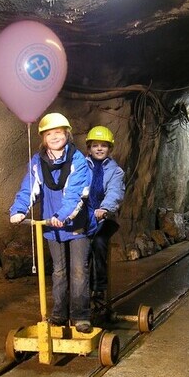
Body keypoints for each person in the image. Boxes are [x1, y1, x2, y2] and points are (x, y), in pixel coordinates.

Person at [9, 112, 94, 333]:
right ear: (43, 138)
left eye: (59, 132)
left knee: (78, 270)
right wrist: (19, 210)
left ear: (67, 134)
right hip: (51, 226)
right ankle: (58, 314)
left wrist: (63, 215)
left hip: (75, 225)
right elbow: (30, 188)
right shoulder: (37, 162)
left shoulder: (78, 160)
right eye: (49, 134)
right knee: (58, 271)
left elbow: (76, 193)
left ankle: (80, 316)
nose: (55, 137)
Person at [85, 125, 125, 311]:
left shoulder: (115, 171)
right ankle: (80, 288)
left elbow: (115, 191)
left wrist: (105, 208)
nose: (99, 149)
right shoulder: (82, 167)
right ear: (89, 148)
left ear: (110, 149)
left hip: (105, 217)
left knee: (99, 242)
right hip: (85, 216)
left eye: (103, 145)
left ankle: (99, 286)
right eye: (95, 145)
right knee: (80, 247)